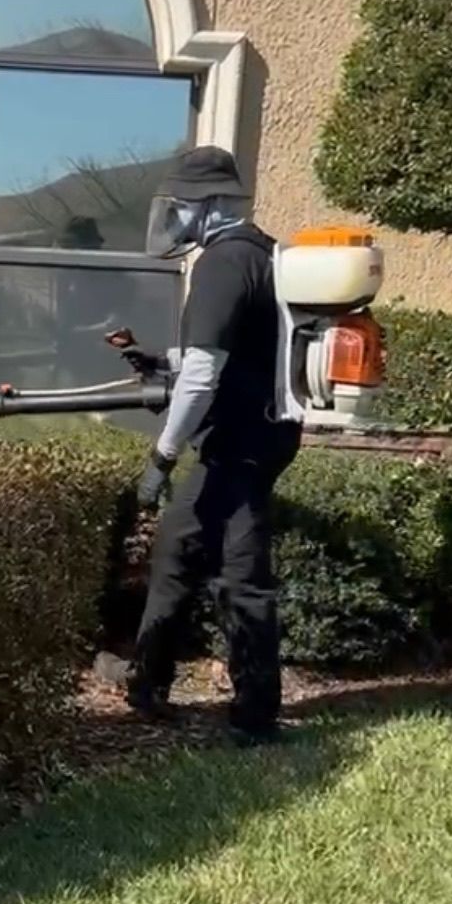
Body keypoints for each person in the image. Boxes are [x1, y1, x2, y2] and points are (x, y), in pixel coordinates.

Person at [128, 146, 301, 744]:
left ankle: (255, 718)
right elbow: (241, 348)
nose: (175, 221)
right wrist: (162, 360)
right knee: (178, 548)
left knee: (240, 575)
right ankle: (147, 681)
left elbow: (203, 375)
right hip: (264, 431)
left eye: (181, 208)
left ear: (207, 206)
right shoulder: (265, 254)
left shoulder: (222, 264)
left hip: (240, 442)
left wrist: (161, 456)